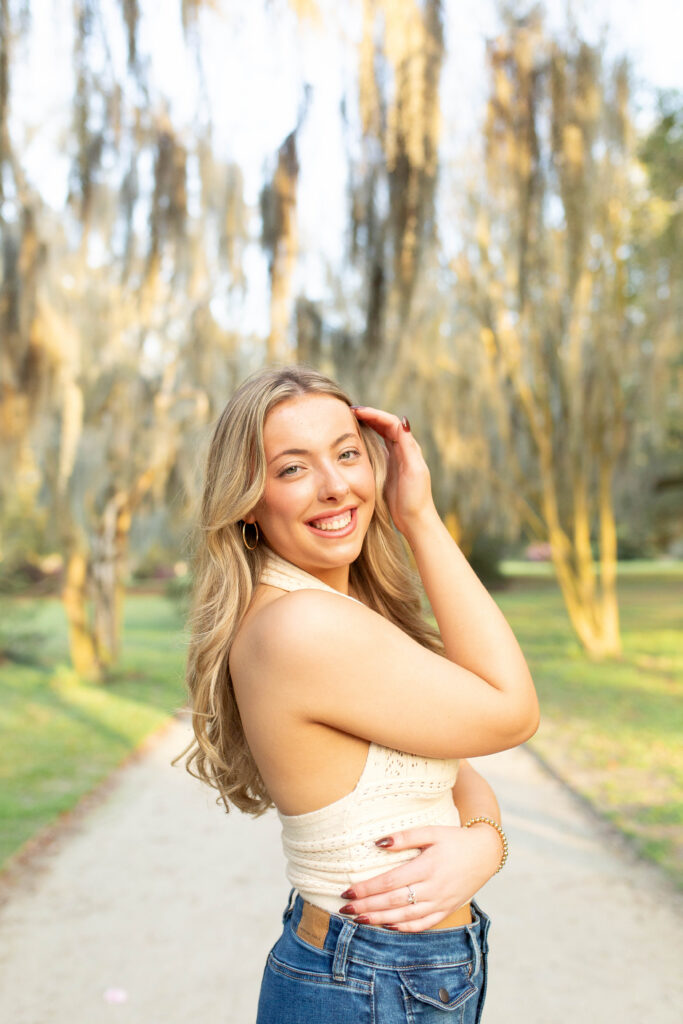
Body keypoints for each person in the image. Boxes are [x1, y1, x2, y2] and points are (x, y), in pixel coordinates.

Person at [173, 364, 540, 1023]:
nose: (335, 486)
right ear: (249, 501)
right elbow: (511, 712)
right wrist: (419, 518)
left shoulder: (331, 609)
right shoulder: (303, 625)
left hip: (394, 974)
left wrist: (484, 841)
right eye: (292, 469)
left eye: (346, 454)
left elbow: (458, 771)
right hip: (368, 980)